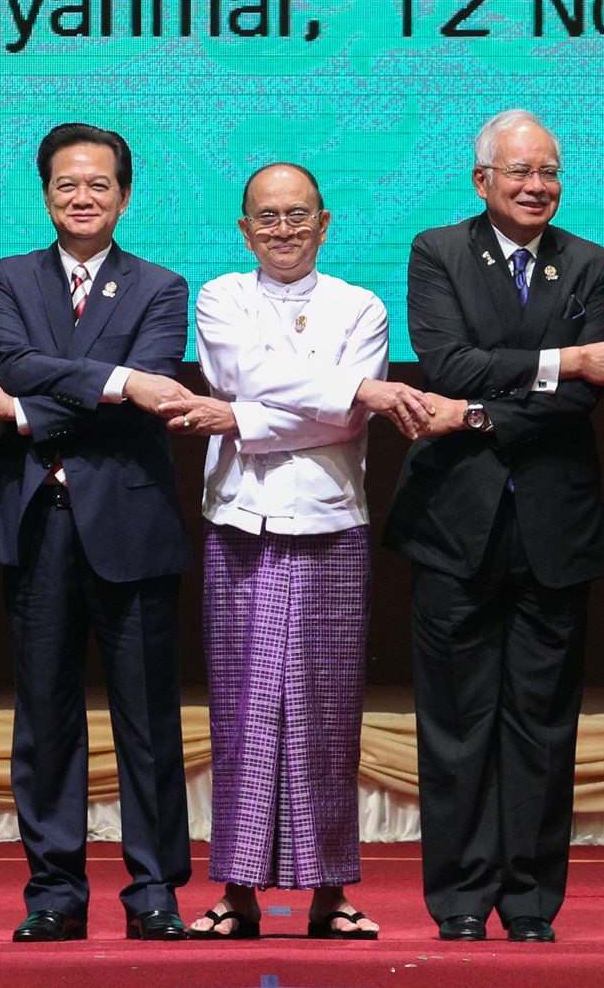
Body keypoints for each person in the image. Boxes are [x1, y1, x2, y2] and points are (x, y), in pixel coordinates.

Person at [386, 108, 604, 944]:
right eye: (522, 172)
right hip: (454, 521)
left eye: (551, 172)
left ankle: (530, 898)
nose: (538, 186)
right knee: (456, 722)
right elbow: (446, 363)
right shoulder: (439, 251)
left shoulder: (591, 263)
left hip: (555, 523)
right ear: (483, 181)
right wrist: (560, 360)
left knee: (541, 722)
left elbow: (582, 395)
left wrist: (477, 417)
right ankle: (460, 893)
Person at [168, 163, 433, 942]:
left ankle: (330, 891)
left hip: (330, 523)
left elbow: (339, 424)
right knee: (243, 710)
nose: (283, 229)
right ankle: (238, 891)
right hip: (240, 524)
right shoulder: (221, 297)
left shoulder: (363, 305)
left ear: (325, 223)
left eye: (297, 215)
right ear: (246, 229)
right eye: (267, 217)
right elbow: (250, 373)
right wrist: (354, 391)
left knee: (325, 710)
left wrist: (244, 419)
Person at [0, 123, 196, 943]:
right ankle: (54, 889)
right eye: (67, 184)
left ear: (124, 196)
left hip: (128, 519)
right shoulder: (7, 277)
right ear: (46, 193)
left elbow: (150, 384)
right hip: (36, 520)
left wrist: (31, 409)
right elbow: (9, 359)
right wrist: (117, 379)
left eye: (99, 184)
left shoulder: (163, 287)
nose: (83, 197)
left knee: (147, 718)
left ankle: (155, 889)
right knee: (47, 718)